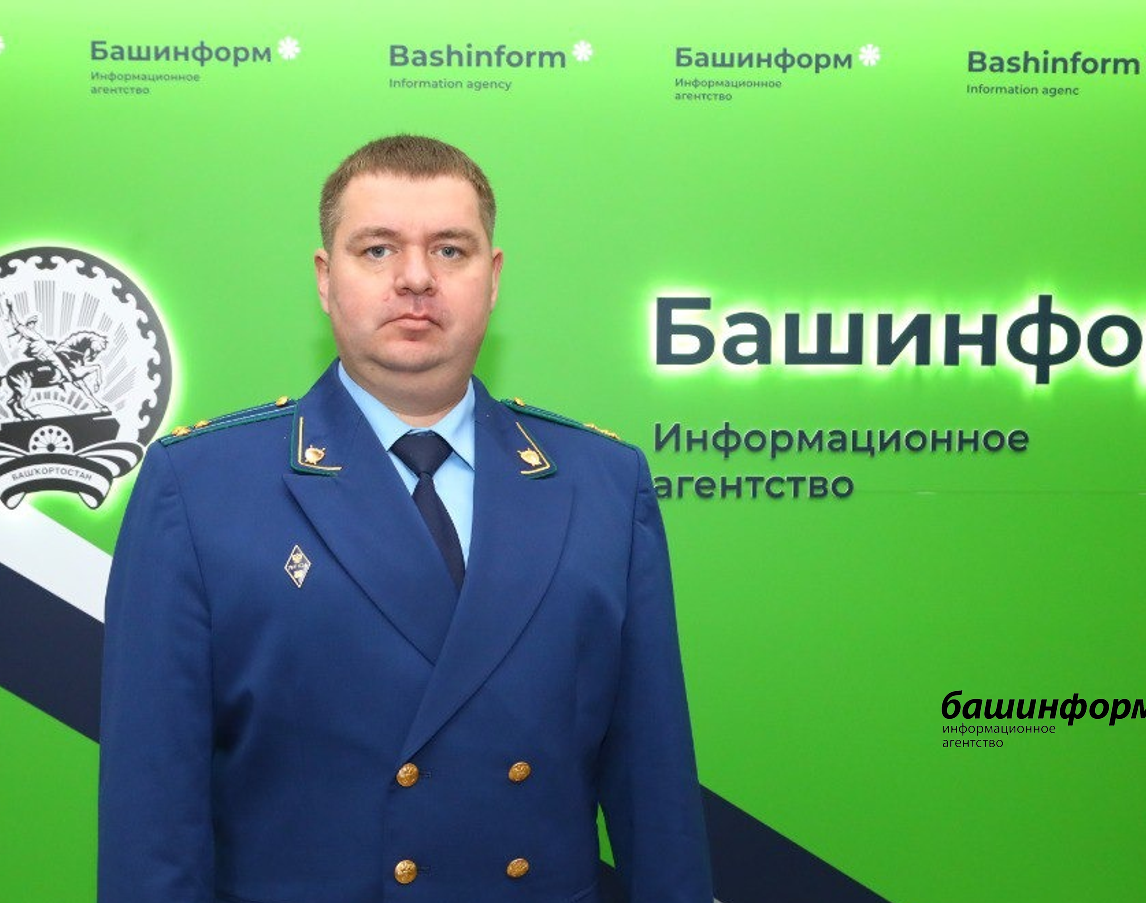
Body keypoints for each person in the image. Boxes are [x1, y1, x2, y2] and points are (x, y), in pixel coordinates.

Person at [98, 135, 712, 903]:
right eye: (378, 249)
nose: (416, 278)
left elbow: (656, 800)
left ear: (493, 277)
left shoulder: (602, 486)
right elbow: (151, 821)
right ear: (326, 278)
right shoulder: (199, 489)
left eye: (450, 250)